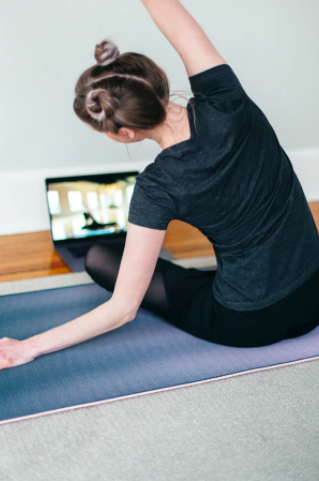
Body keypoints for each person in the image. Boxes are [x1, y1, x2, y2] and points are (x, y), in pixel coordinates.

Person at [1, 0, 319, 370]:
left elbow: (122, 310)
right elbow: (167, 10)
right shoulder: (226, 96)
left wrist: (28, 347)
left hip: (248, 322)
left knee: (100, 258)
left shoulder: (157, 186)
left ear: (127, 133)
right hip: (314, 294)